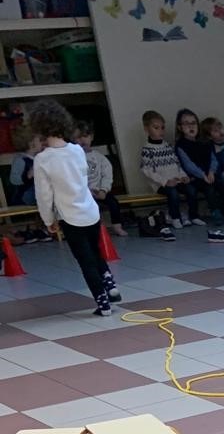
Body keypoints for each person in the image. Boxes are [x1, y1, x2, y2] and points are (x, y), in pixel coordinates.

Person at [29, 98, 121, 317]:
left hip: (70, 217)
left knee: (85, 260)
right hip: (90, 211)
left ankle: (103, 304)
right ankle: (109, 282)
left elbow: (44, 195)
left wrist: (48, 220)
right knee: (95, 251)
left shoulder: (42, 160)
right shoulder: (77, 150)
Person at [175, 107, 224, 241]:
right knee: (208, 188)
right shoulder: (180, 145)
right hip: (195, 177)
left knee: (221, 185)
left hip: (210, 174)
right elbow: (188, 165)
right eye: (186, 123)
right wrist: (202, 175)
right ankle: (216, 212)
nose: (191, 126)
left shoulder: (204, 142)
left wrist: (211, 172)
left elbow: (213, 159)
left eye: (193, 123)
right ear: (180, 127)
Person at [141, 108, 193, 237]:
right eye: (156, 128)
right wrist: (165, 181)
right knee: (173, 193)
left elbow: (177, 164)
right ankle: (175, 217)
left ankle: (193, 215)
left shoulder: (168, 146)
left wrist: (183, 176)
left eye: (162, 128)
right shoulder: (147, 149)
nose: (161, 131)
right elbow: (147, 170)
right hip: (161, 185)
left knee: (191, 189)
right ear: (147, 129)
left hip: (176, 180)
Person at [73, 118, 125, 236]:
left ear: (91, 137)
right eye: (78, 137)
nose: (82, 140)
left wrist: (103, 190)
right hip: (83, 193)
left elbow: (107, 175)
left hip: (100, 191)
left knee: (113, 203)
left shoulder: (100, 158)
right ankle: (91, 230)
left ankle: (117, 226)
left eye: (85, 136)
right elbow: (75, 178)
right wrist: (87, 191)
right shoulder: (73, 159)